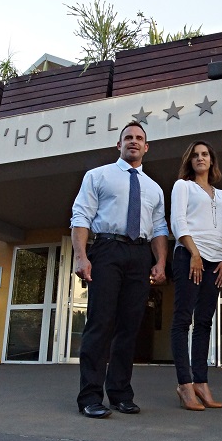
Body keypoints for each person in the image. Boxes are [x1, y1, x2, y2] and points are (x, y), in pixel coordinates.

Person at [70, 121, 168, 418]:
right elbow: (81, 216)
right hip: (107, 250)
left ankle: (121, 394)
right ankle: (90, 397)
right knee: (100, 324)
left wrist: (161, 262)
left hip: (140, 255)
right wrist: (80, 256)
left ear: (146, 146)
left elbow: (160, 227)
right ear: (119, 144)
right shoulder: (97, 175)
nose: (134, 142)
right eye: (128, 138)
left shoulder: (153, 188)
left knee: (130, 327)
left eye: (139, 138)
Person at [169, 140, 222, 410]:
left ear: (211, 160)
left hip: (215, 262)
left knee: (205, 321)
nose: (200, 158)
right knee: (183, 320)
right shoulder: (183, 186)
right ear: (189, 161)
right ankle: (184, 384)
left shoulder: (221, 195)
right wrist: (194, 254)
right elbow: (178, 221)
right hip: (188, 256)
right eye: (195, 155)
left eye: (205, 154)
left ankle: (201, 383)